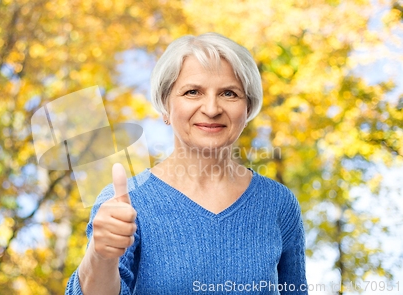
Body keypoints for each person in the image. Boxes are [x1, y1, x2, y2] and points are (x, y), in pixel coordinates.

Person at [65, 32, 308, 294]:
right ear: (165, 106)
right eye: (193, 92)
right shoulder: (124, 202)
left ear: (247, 109)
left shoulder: (278, 203)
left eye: (229, 93)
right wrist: (100, 256)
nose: (212, 108)